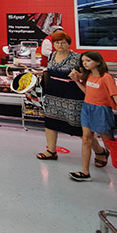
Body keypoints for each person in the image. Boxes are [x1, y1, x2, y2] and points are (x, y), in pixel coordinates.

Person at [36, 30, 103, 160]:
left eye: (63, 43)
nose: (60, 45)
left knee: (79, 128)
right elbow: (50, 71)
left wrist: (79, 76)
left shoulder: (77, 58)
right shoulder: (52, 55)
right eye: (57, 43)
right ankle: (51, 151)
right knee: (51, 123)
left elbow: (88, 74)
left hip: (72, 95)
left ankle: (100, 152)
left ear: (68, 44)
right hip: (53, 94)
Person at [68, 51, 117, 182]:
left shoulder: (106, 77)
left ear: (98, 62)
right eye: (83, 61)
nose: (85, 63)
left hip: (101, 110)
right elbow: (87, 92)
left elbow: (116, 97)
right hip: (87, 108)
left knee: (109, 143)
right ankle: (85, 172)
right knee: (86, 139)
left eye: (88, 60)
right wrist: (76, 81)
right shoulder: (88, 76)